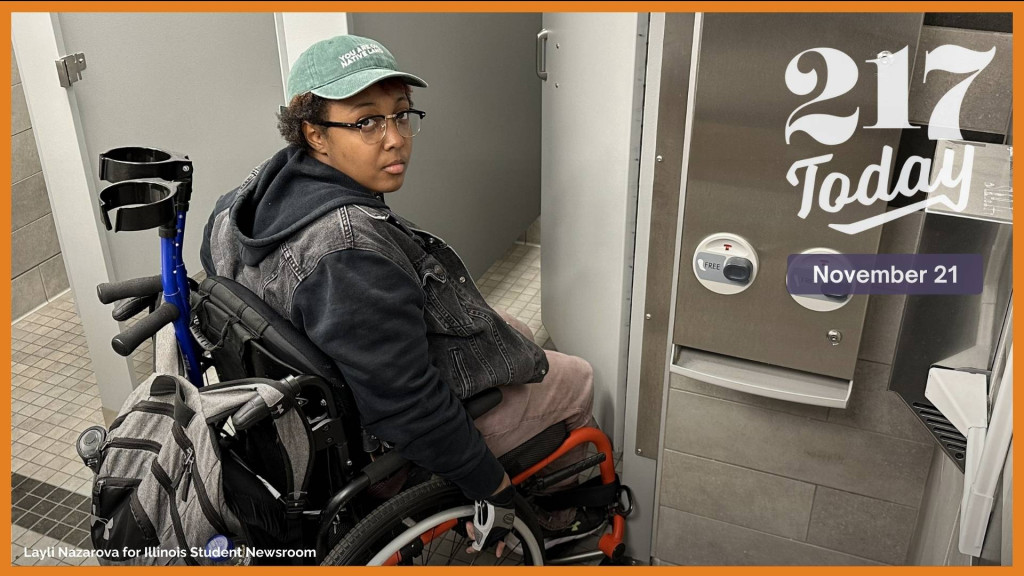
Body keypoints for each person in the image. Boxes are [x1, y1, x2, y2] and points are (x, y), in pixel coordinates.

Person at [200, 34, 598, 552]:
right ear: (314, 134)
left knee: (514, 330)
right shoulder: (347, 253)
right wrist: (492, 487)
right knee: (576, 377)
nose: (395, 138)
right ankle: (563, 515)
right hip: (378, 440)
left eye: (401, 114)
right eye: (366, 121)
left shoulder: (239, 205)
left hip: (299, 412)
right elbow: (408, 406)